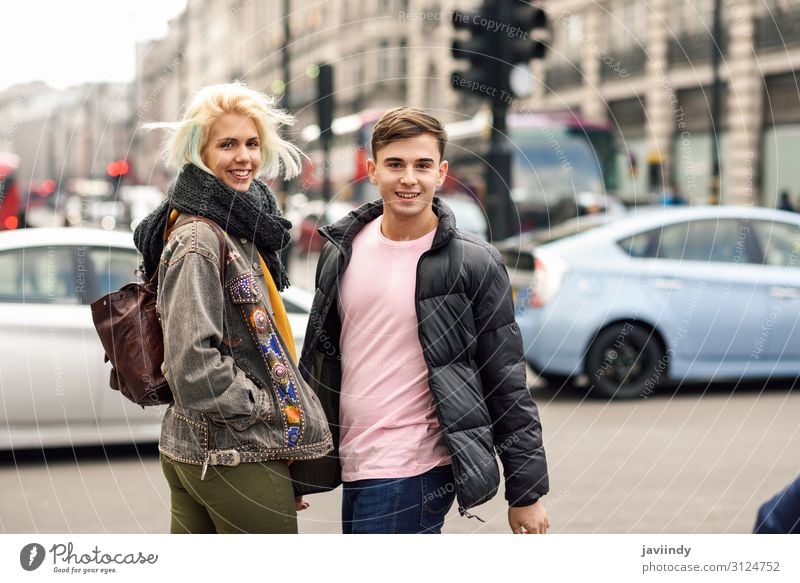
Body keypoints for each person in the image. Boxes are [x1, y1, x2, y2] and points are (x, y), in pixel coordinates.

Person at [292, 107, 550, 534]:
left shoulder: (474, 262)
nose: (409, 178)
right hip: (356, 461)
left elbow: (505, 379)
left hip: (414, 466)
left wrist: (527, 493)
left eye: (422, 165)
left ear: (441, 172)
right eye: (395, 164)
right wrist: (302, 465)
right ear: (373, 171)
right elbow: (319, 365)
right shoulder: (342, 249)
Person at [133, 82, 332, 534]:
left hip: (212, 448)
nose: (244, 157)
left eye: (251, 143)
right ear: (199, 152)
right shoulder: (200, 238)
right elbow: (192, 365)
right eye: (227, 144)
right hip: (233, 450)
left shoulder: (237, 223)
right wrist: (266, 409)